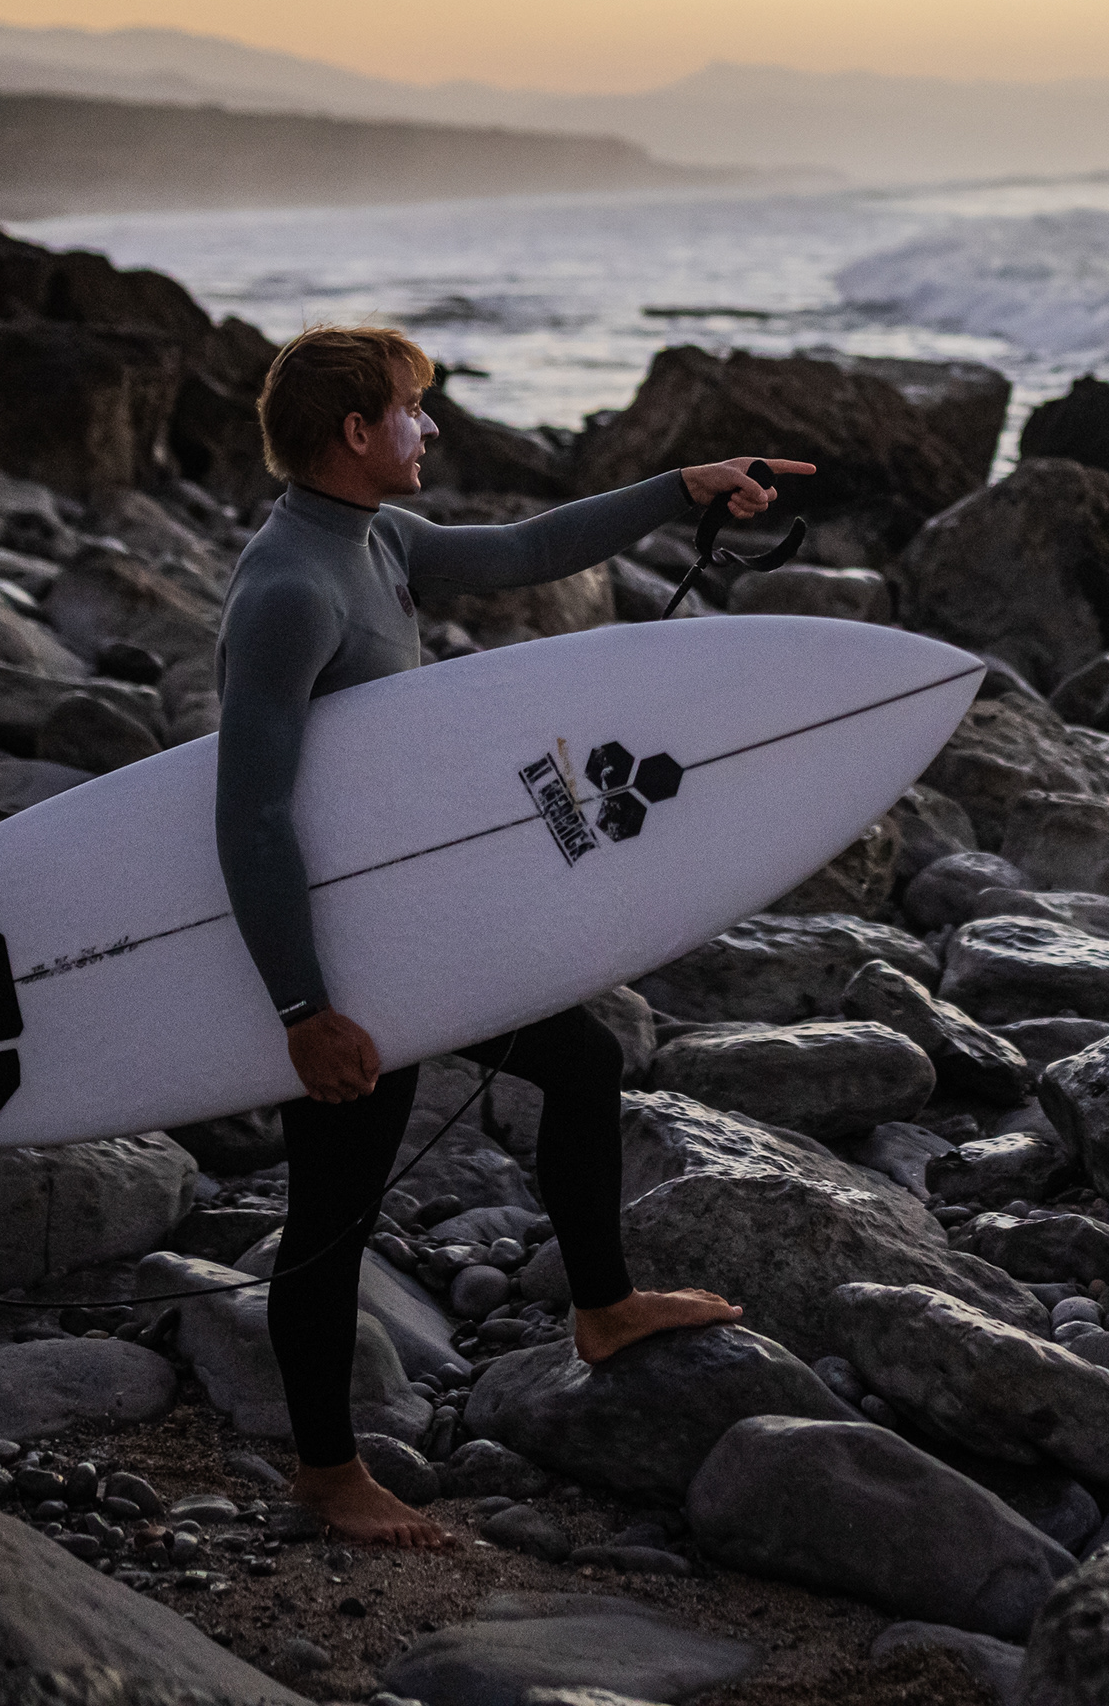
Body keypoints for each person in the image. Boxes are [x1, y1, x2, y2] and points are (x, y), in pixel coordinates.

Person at [217, 322, 806, 1546]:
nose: (429, 426)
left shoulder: (373, 537)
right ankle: (326, 1472)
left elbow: (531, 547)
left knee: (583, 1062)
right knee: (334, 1209)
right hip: (348, 950)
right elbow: (252, 812)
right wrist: (303, 1008)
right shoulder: (289, 589)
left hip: (419, 921)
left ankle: (603, 1305)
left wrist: (681, 486)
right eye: (411, 409)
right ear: (355, 431)